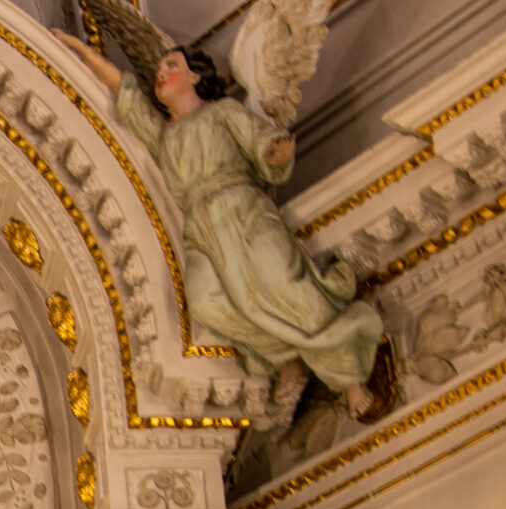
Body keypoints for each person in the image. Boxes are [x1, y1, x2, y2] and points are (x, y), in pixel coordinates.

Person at [66, 35, 389, 422]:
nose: (161, 74)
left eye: (171, 66)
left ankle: (348, 376)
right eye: (159, 70)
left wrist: (274, 152)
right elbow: (123, 89)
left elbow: (260, 140)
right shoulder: (163, 135)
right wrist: (78, 48)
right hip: (202, 230)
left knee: (283, 285)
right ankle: (284, 353)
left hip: (241, 207)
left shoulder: (221, 114)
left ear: (196, 79)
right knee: (207, 303)